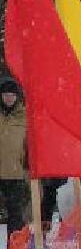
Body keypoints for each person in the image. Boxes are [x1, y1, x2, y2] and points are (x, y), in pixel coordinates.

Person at [0, 79, 27, 237]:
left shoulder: (24, 116)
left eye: (11, 95)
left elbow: (30, 144)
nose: (8, 98)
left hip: (15, 173)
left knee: (16, 216)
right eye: (5, 95)